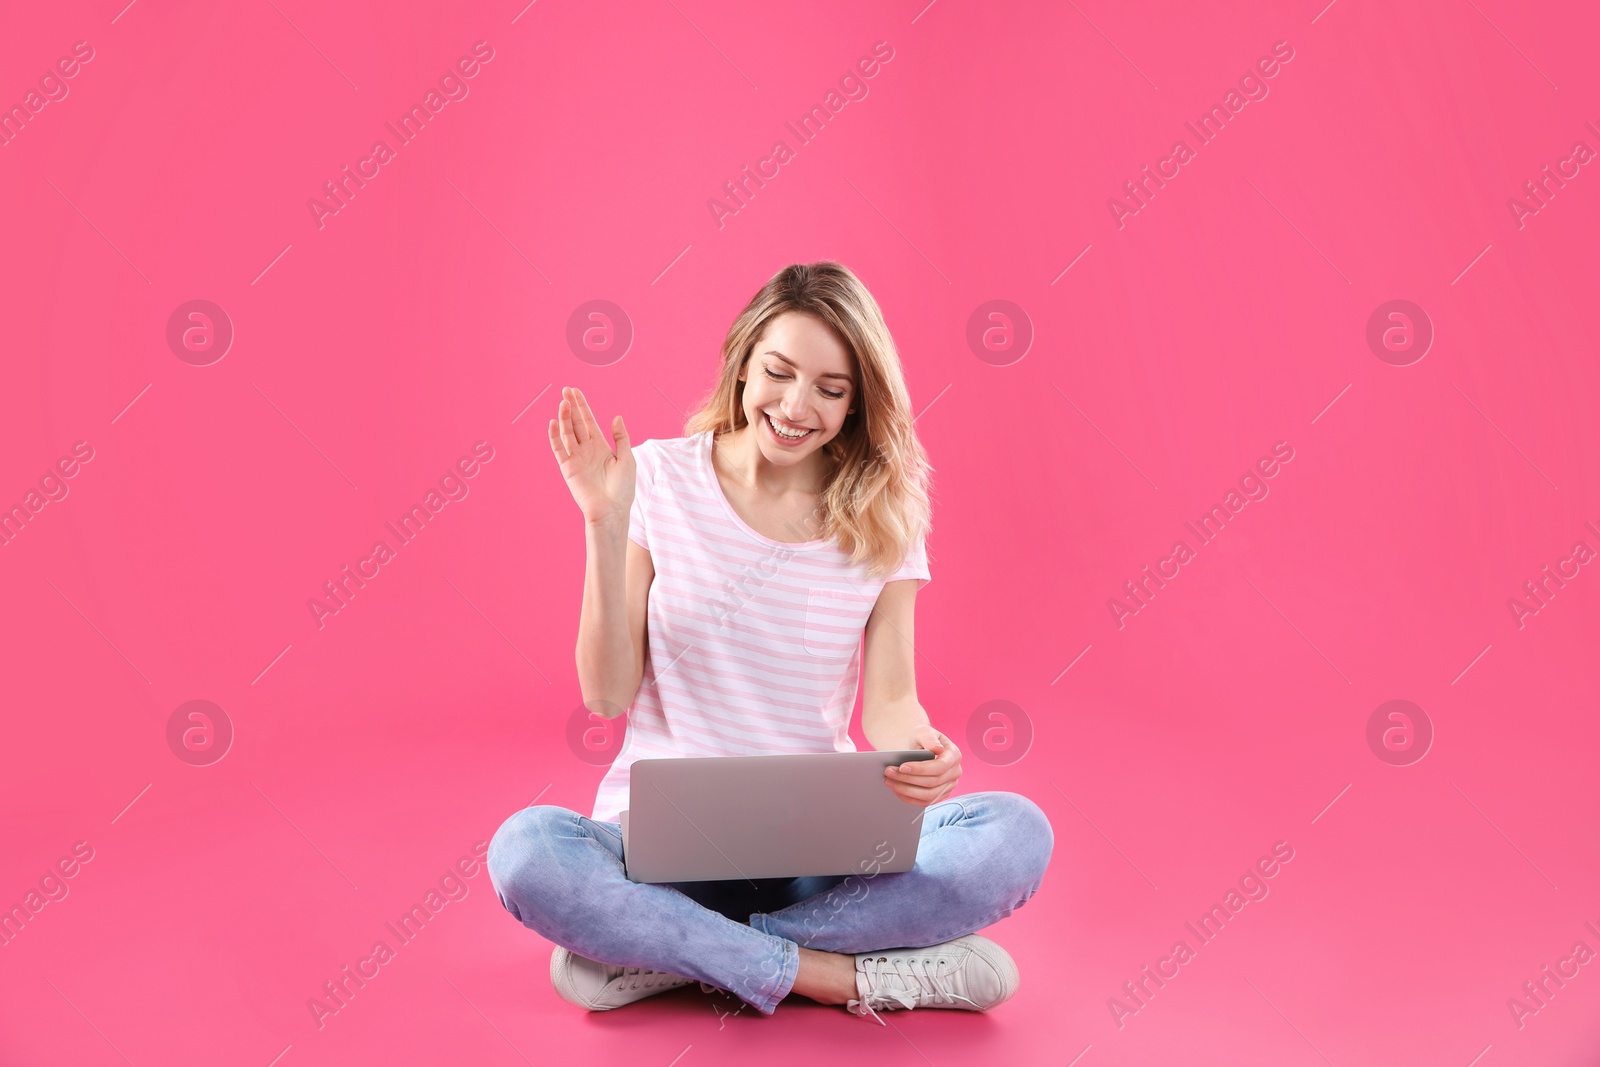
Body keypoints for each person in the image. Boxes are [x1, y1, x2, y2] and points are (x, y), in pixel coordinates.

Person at [486, 261, 1053, 1023]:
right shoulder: (654, 478)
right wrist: (603, 521)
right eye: (779, 373)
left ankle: (670, 956)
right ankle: (837, 974)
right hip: (654, 857)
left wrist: (924, 750)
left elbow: (889, 702)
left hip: (817, 859)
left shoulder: (881, 516)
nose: (795, 406)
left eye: (830, 388)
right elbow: (606, 694)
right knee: (526, 851)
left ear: (857, 403)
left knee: (1016, 833)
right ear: (742, 363)